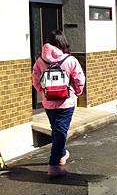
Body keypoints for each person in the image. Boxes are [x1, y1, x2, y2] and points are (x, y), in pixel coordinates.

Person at [32, 30, 85, 177]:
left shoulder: (40, 61)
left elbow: (35, 79)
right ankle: (54, 166)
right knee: (60, 133)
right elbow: (79, 79)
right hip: (66, 102)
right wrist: (77, 92)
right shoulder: (70, 60)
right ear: (62, 42)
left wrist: (43, 92)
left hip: (48, 102)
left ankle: (61, 154)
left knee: (57, 130)